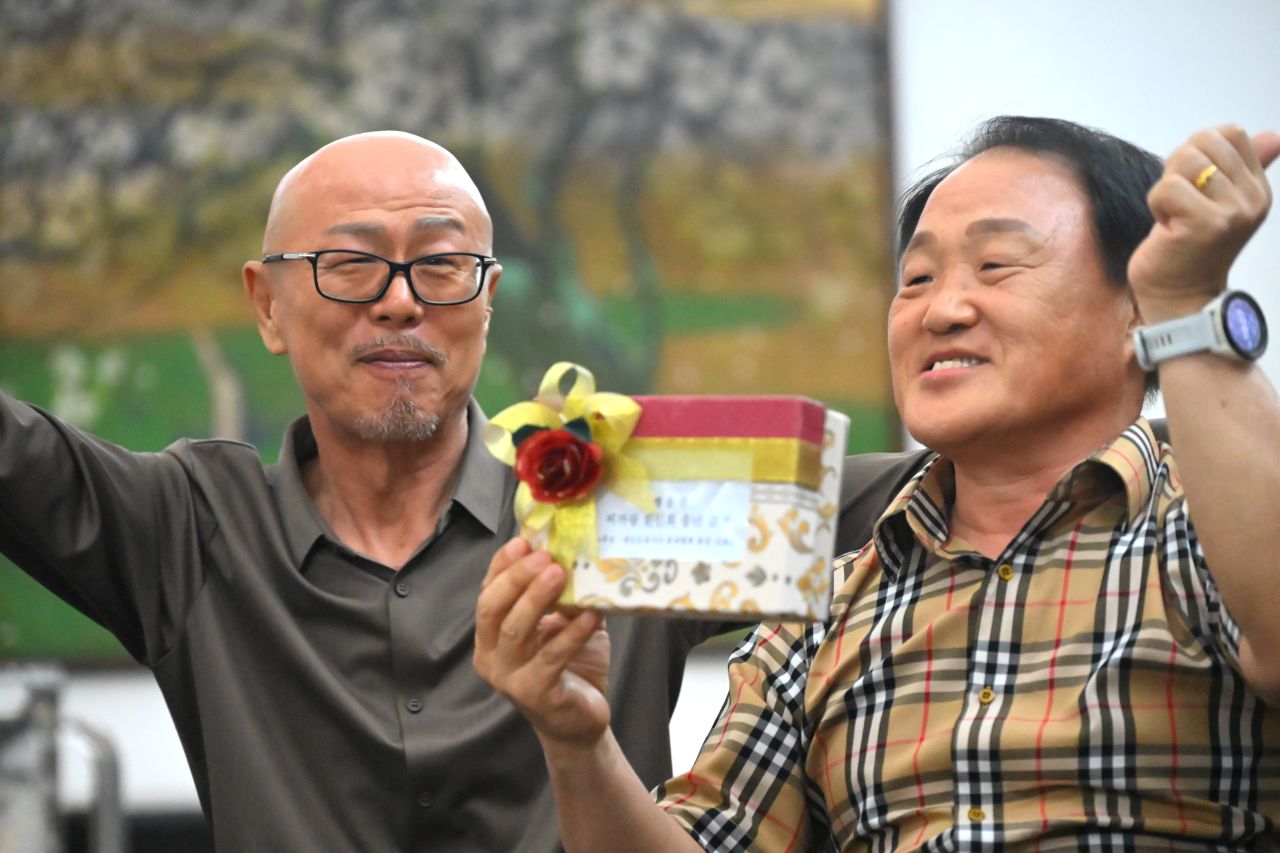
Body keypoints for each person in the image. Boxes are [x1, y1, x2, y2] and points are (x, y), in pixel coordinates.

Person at [474, 117, 1280, 850]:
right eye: (917, 278)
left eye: (996, 265)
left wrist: (1189, 303)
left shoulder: (1206, 529)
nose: (942, 309)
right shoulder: (823, 610)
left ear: (1137, 310)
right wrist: (577, 742)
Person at [0, 131, 734, 851]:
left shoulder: (622, 505)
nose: (400, 302)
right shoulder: (190, 532)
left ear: (488, 300)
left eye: (441, 264)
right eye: (350, 265)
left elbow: (816, 522)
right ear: (268, 306)